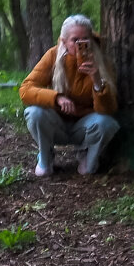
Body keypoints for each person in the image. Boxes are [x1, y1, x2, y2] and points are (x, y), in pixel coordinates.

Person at [19, 15, 119, 176]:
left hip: (86, 127)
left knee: (106, 124)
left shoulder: (101, 61)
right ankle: (46, 158)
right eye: (75, 40)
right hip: (57, 124)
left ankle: (88, 156)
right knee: (34, 112)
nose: (80, 44)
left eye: (85, 39)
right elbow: (25, 89)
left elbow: (108, 110)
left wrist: (96, 80)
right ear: (64, 41)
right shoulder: (53, 55)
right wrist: (56, 97)